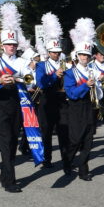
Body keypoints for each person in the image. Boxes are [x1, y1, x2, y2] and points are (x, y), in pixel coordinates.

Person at [0, 3, 34, 193]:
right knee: (5, 141)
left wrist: (22, 79)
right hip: (1, 104)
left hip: (17, 104)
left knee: (12, 142)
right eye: (9, 44)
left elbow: (31, 80)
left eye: (14, 44)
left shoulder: (22, 62)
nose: (11, 47)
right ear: (2, 46)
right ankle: (10, 180)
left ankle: (4, 175)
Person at [63, 18, 102, 181]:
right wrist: (86, 85)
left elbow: (98, 94)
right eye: (82, 54)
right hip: (75, 108)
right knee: (75, 140)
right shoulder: (70, 73)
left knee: (88, 141)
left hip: (90, 108)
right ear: (77, 55)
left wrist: (98, 85)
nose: (85, 57)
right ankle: (67, 161)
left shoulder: (93, 71)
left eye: (87, 54)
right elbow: (71, 93)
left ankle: (83, 170)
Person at [34, 12, 69, 172]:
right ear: (48, 52)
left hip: (62, 101)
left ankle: (66, 161)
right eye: (54, 52)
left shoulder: (65, 64)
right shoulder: (41, 65)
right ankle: (47, 159)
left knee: (64, 132)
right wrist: (55, 75)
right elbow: (41, 83)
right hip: (47, 101)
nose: (56, 54)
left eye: (58, 52)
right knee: (46, 132)